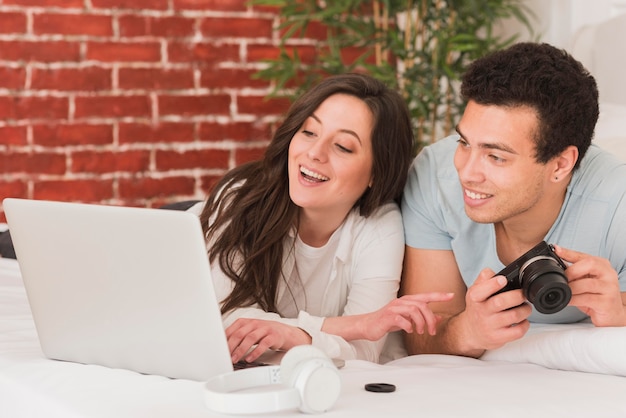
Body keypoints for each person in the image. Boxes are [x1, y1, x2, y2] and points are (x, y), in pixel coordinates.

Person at [189, 73, 452, 364]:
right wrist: (353, 327)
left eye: (342, 147)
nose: (314, 153)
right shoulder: (239, 199)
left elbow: (365, 353)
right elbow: (223, 326)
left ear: (377, 172)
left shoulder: (380, 226)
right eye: (309, 132)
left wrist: (295, 336)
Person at [400, 42, 626, 359]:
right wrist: (467, 331)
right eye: (464, 142)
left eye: (495, 156)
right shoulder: (433, 177)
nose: (466, 172)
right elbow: (423, 334)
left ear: (561, 165)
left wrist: (619, 317)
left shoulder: (618, 203)